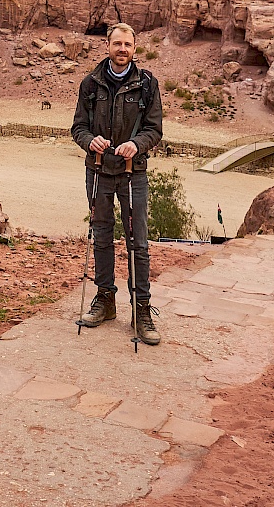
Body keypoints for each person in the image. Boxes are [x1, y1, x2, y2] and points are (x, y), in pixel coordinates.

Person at [70, 23, 163, 345]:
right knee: (102, 238)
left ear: (135, 48)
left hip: (132, 172)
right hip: (97, 171)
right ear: (107, 46)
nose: (122, 49)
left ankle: (142, 310)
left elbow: (154, 130)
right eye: (117, 44)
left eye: (128, 44)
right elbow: (78, 127)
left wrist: (137, 144)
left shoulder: (148, 85)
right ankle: (105, 300)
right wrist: (88, 140)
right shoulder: (90, 84)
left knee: (138, 242)